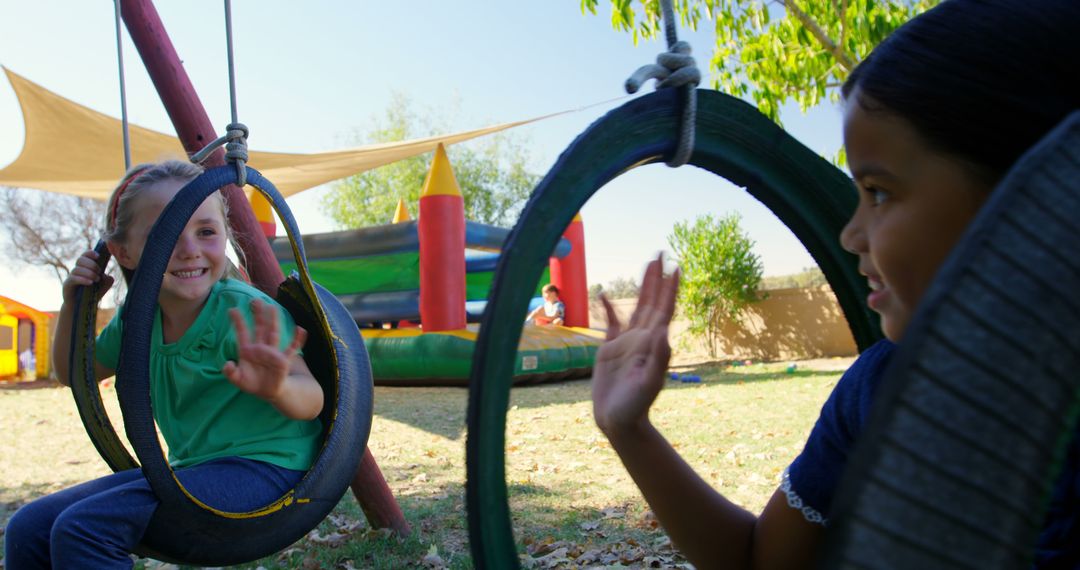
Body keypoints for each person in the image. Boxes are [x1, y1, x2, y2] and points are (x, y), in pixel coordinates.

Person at [590, 1, 1080, 568]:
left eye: (878, 191)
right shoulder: (875, 391)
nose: (850, 235)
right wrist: (629, 429)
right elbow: (760, 561)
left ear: (1034, 195)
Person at [4, 160, 325, 568]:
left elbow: (311, 399)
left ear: (224, 236)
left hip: (269, 470)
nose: (189, 247)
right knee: (29, 526)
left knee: (83, 528)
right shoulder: (137, 319)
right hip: (191, 473)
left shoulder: (244, 313)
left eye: (206, 232)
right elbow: (73, 375)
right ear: (123, 251)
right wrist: (76, 305)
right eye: (165, 233)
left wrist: (280, 387)